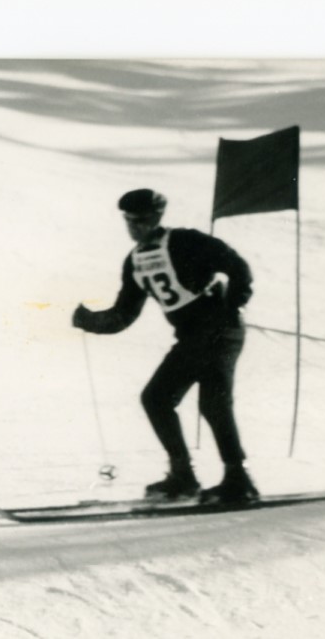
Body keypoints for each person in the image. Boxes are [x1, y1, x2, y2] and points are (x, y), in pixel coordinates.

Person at [72, 188, 259, 506]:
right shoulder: (135, 261)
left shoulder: (185, 240)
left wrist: (233, 301)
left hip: (220, 331)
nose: (137, 227)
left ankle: (236, 480)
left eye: (143, 220)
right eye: (130, 221)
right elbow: (124, 314)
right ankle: (185, 477)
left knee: (208, 403)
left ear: (157, 218)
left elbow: (236, 266)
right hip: (192, 337)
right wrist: (89, 321)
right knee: (158, 398)